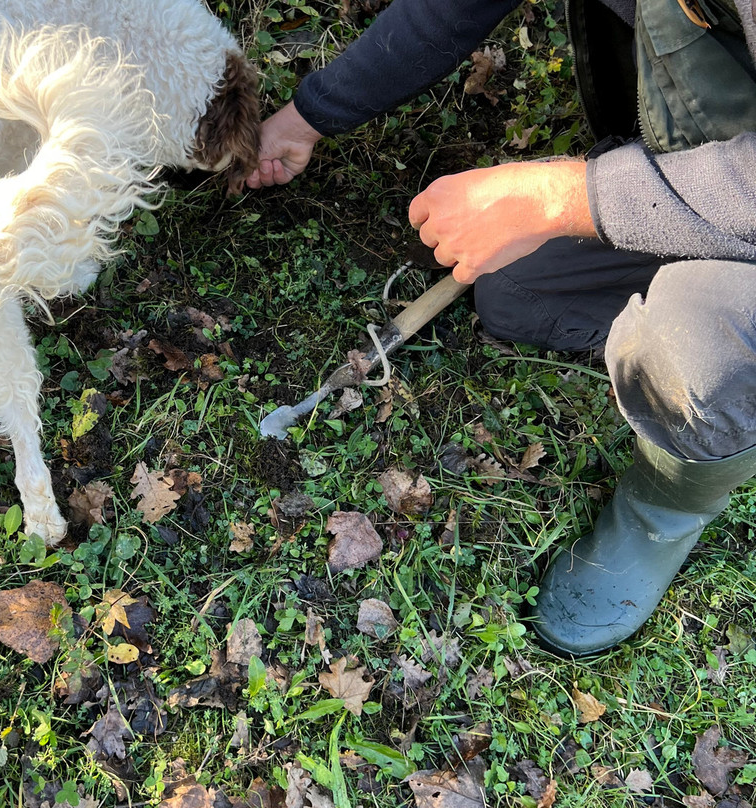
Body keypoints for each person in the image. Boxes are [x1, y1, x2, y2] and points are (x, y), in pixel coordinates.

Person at [247, 0, 756, 656]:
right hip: (720, 167)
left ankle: (665, 510)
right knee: (513, 291)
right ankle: (678, 242)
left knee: (695, 335)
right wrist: (309, 115)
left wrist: (564, 198)